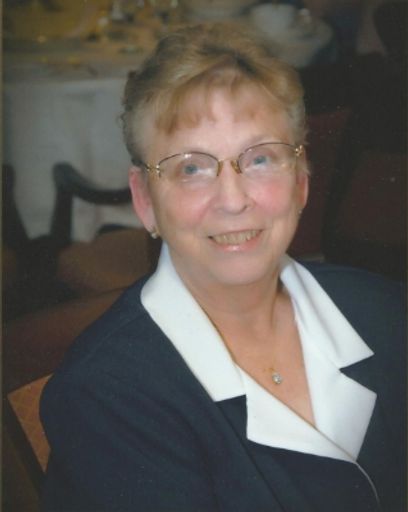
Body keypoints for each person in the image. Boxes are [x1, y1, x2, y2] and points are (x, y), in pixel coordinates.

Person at [40, 22, 406, 512]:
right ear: (145, 200)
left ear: (301, 181)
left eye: (260, 159)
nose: (232, 200)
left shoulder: (388, 311)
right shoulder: (102, 396)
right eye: (191, 167)